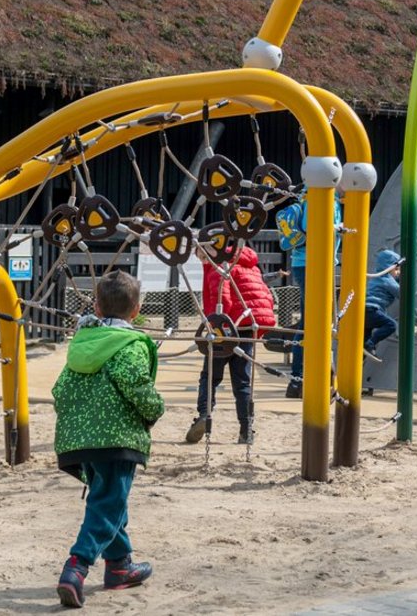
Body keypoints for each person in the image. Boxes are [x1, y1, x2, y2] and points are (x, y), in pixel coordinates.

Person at [52, 270, 164, 610]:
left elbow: (60, 390)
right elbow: (136, 385)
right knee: (109, 502)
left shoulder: (81, 344)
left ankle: (119, 566)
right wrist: (155, 409)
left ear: (97, 307)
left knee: (108, 499)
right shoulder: (132, 345)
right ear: (137, 310)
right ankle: (77, 566)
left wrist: (76, 423)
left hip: (80, 438)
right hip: (116, 438)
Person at [185, 241, 276, 446]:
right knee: (242, 382)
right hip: (245, 328)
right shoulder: (247, 261)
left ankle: (204, 414)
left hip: (224, 328)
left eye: (199, 252)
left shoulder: (219, 265)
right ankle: (246, 429)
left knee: (210, 376)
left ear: (209, 248)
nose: (199, 257)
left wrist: (213, 324)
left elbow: (222, 299)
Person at [275, 188, 343, 398]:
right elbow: (311, 227)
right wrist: (338, 227)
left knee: (316, 322)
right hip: (312, 263)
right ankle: (299, 378)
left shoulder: (322, 198)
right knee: (312, 322)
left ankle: (310, 377)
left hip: (312, 263)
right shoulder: (319, 198)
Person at [364, 249, 404, 359]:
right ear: (389, 267)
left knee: (364, 343)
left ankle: (365, 350)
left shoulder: (376, 278)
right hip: (371, 310)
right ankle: (371, 344)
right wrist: (402, 282)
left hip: (364, 311)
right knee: (391, 325)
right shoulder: (387, 279)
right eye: (396, 270)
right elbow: (402, 294)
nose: (398, 273)